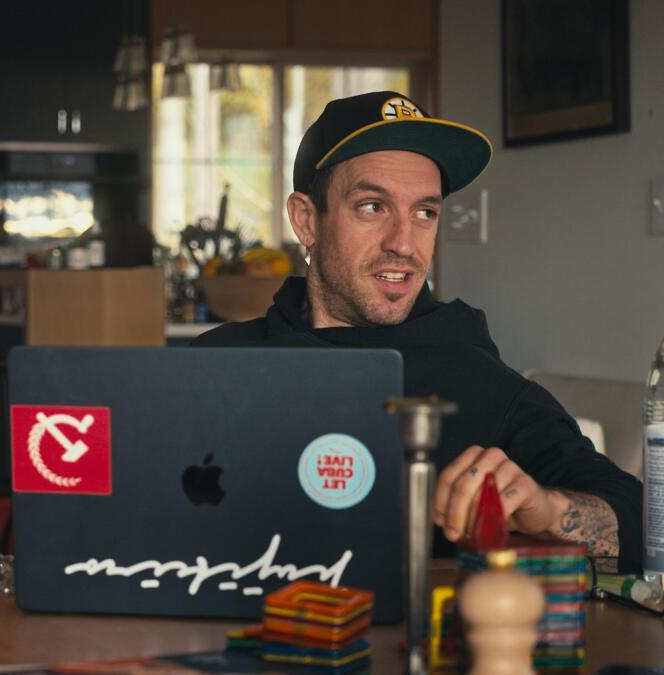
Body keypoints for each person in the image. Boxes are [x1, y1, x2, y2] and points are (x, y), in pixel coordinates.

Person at [192, 91, 643, 572]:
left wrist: (548, 511)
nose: (404, 244)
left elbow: (640, 519)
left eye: (425, 212)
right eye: (372, 207)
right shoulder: (214, 362)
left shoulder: (481, 379)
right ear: (307, 220)